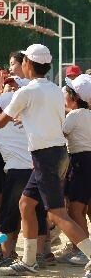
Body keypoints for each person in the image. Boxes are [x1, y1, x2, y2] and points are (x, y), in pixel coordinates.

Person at [0, 44, 91, 277]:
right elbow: (39, 115)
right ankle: (29, 261)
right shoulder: (53, 90)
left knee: (57, 214)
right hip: (55, 154)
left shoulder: (26, 92)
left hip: (45, 156)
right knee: (26, 205)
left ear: (27, 64)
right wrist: (24, 117)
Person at [0, 92, 48, 268]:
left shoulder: (0, 128)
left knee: (8, 215)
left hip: (17, 174)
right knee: (38, 214)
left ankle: (7, 254)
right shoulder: (28, 122)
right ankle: (40, 254)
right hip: (37, 170)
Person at [60, 75, 91, 266]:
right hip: (88, 160)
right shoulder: (86, 114)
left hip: (80, 162)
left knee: (75, 209)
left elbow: (60, 133)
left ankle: (83, 251)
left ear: (73, 96)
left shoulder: (74, 116)